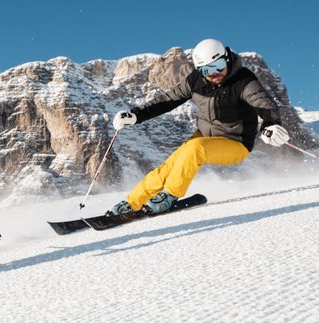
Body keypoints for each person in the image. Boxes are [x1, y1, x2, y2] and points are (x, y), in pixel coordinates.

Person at [109, 38, 290, 216]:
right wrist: (136, 115)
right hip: (205, 137)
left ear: (227, 58)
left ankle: (170, 195)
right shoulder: (196, 81)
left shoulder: (243, 80)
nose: (214, 73)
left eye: (218, 65)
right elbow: (168, 100)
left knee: (195, 148)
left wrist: (271, 124)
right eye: (206, 70)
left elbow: (264, 104)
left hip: (236, 143)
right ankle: (132, 202)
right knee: (170, 165)